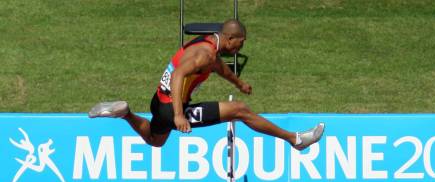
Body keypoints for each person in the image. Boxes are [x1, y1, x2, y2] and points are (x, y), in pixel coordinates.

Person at [88, 19, 324, 151]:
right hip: (172, 107)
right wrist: (179, 115)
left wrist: (239, 83)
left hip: (159, 101)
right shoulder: (205, 55)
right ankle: (295, 140)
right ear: (230, 38)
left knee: (154, 140)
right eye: (240, 44)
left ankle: (125, 113)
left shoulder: (209, 44)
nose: (240, 49)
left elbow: (219, 67)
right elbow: (179, 74)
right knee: (239, 110)